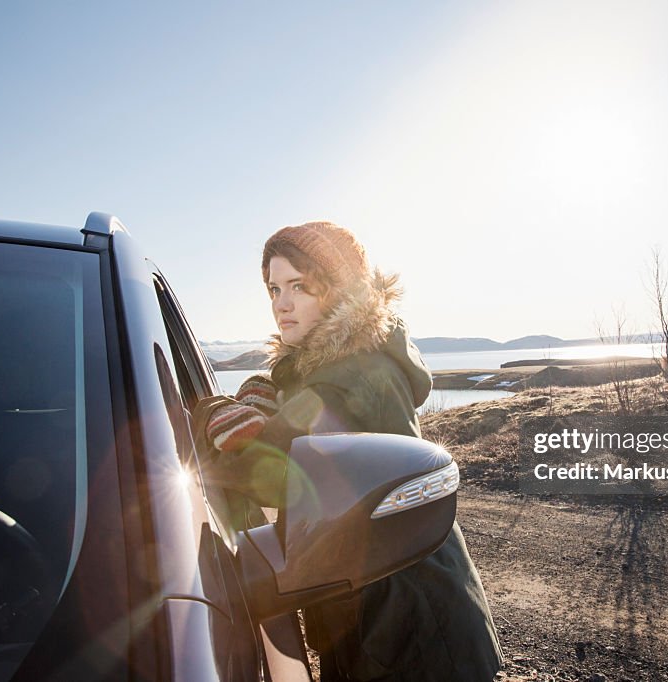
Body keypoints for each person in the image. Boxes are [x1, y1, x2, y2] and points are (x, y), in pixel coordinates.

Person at [194, 221, 503, 682]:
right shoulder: (337, 366)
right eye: (275, 288)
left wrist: (211, 412)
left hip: (405, 619)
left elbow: (261, 474)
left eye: (300, 286)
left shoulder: (350, 376)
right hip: (387, 602)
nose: (281, 303)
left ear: (337, 288)